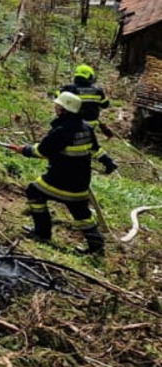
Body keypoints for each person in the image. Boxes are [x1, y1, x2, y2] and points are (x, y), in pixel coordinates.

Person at [16, 90, 117, 254]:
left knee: (34, 191)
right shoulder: (85, 128)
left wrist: (25, 150)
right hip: (81, 183)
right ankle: (96, 247)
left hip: (60, 180)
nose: (55, 107)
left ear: (63, 109)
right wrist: (108, 161)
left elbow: (42, 151)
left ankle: (42, 233)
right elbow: (95, 149)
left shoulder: (62, 130)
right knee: (81, 213)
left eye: (58, 105)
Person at [70, 63, 110, 130]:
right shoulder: (98, 90)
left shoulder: (69, 88)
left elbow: (57, 98)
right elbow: (105, 105)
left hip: (72, 123)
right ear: (90, 76)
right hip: (90, 124)